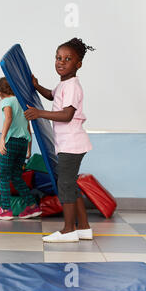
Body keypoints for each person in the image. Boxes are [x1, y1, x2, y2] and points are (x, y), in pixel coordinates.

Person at [24, 38, 95, 243]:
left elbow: (67, 115)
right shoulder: (64, 84)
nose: (61, 62)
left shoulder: (72, 86)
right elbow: (51, 95)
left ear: (78, 64)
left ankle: (68, 230)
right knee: (70, 185)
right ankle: (83, 227)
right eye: (58, 58)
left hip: (72, 144)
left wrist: (39, 114)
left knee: (64, 185)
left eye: (67, 59)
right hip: (69, 144)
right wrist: (37, 86)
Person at [0, 77, 41, 221]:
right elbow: (27, 126)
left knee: (3, 177)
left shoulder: (7, 101)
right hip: (23, 143)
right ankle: (32, 206)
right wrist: (29, 148)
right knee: (16, 176)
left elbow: (8, 118)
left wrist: (2, 139)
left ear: (0, 92)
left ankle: (5, 209)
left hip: (10, 142)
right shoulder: (22, 102)